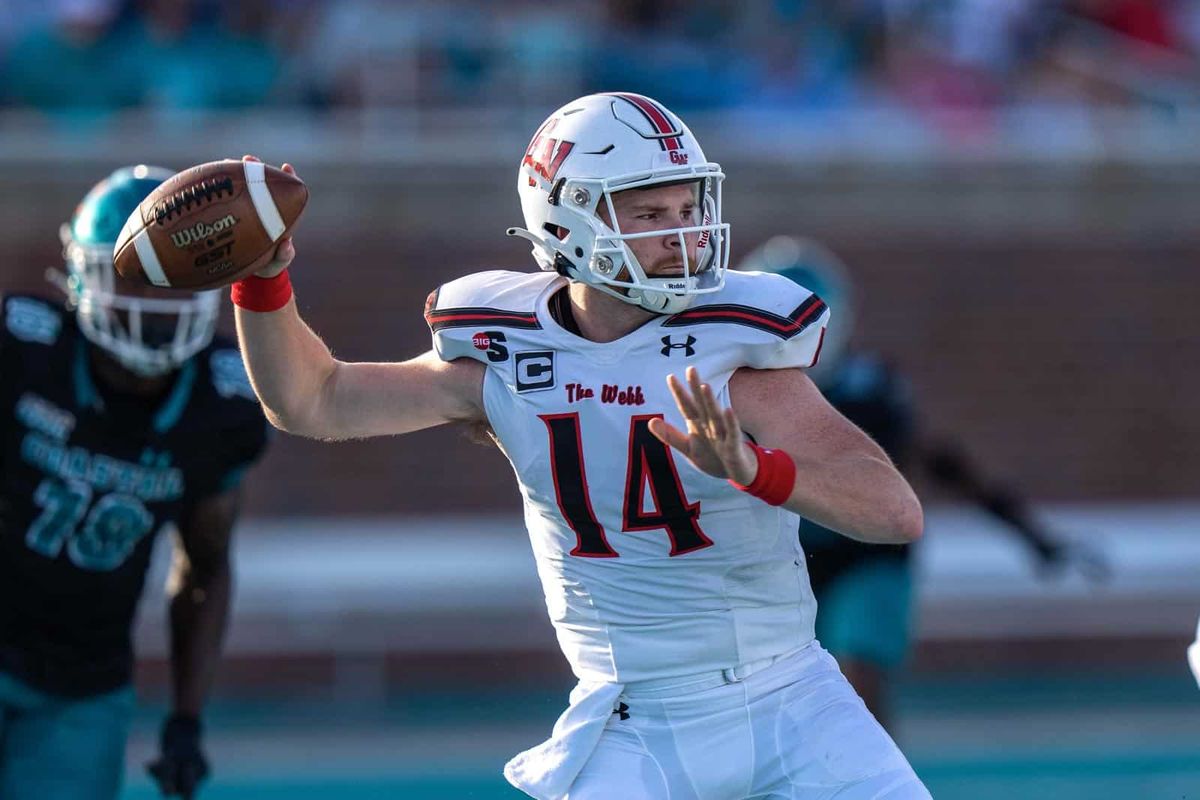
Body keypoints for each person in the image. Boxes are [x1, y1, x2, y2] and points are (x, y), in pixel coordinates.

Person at [233, 92, 930, 799]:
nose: (682, 236)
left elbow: (892, 510)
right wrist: (263, 282)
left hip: (796, 696)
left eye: (687, 210)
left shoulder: (734, 349)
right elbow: (312, 400)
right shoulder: (506, 352)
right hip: (636, 717)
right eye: (650, 214)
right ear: (567, 217)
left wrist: (758, 470)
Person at [739, 235, 1109, 731]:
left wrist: (1031, 534)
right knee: (772, 701)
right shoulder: (728, 387)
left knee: (855, 679)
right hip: (783, 565)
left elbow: (938, 462)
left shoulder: (870, 388)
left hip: (866, 557)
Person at [0, 165, 270, 800]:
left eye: (173, 282)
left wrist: (184, 719)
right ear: (79, 275)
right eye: (132, 281)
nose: (151, 306)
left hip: (83, 685)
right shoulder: (22, 351)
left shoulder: (221, 403)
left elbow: (204, 569)